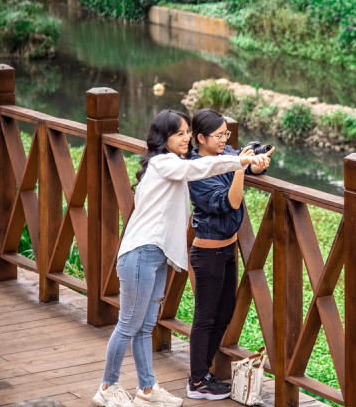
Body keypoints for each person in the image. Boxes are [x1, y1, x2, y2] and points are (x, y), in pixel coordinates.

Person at [92, 110, 271, 407]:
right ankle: (107, 387)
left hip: (155, 255)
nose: (187, 138)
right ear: (164, 139)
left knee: (146, 326)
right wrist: (242, 161)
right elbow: (201, 169)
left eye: (188, 131)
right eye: (180, 134)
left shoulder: (172, 163)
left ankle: (147, 390)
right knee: (128, 325)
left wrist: (249, 160)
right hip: (141, 254)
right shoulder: (165, 163)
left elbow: (212, 161)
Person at [186, 109, 273, 400]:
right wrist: (239, 166)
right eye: (219, 135)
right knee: (205, 317)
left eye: (227, 134)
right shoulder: (196, 170)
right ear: (200, 138)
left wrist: (257, 164)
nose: (225, 140)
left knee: (224, 314)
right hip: (208, 252)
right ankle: (196, 382)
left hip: (227, 250)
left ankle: (204, 374)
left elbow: (248, 167)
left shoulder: (226, 152)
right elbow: (231, 201)